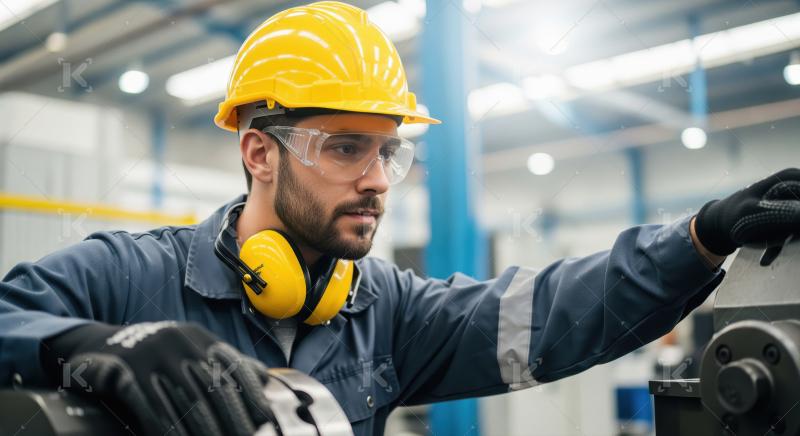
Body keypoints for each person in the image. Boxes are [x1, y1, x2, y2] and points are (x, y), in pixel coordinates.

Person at [1, 2, 799, 435]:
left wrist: (700, 238)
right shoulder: (131, 277)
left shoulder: (383, 310)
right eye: (346, 148)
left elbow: (548, 313)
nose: (378, 180)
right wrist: (87, 343)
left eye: (390, 151)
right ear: (259, 152)